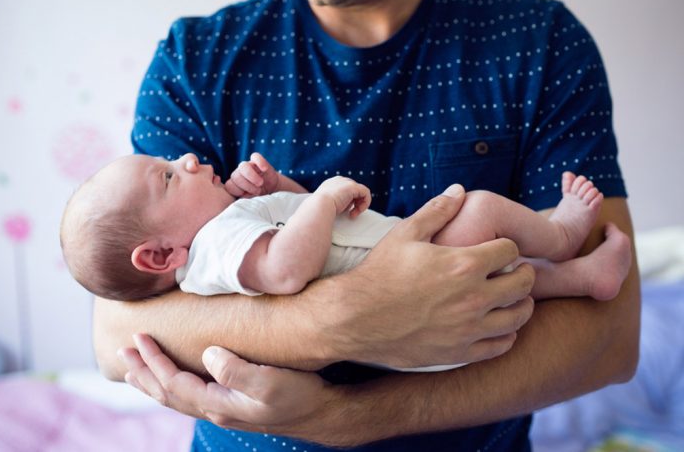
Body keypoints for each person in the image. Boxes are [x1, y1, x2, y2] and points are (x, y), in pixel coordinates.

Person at [93, 0, 641, 450]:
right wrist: (345, 321)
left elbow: (609, 339)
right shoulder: (197, 60)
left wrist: (349, 417)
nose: (184, 166)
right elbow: (118, 331)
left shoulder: (536, 42)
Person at [62, 150, 628, 309]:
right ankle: (561, 235)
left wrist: (279, 188)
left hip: (423, 290)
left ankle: (581, 280)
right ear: (161, 256)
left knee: (499, 274)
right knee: (477, 213)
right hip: (413, 288)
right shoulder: (212, 247)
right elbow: (288, 269)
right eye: (165, 179)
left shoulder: (222, 238)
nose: (186, 159)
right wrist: (328, 195)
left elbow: (310, 238)